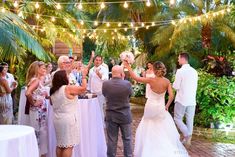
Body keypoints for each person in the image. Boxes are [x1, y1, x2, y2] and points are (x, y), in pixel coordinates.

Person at [124, 61, 189, 157]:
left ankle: (149, 149)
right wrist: (167, 106)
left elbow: (135, 78)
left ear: (154, 70)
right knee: (161, 128)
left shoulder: (151, 80)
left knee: (148, 126)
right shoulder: (167, 81)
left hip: (150, 106)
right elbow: (171, 96)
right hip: (160, 107)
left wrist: (128, 67)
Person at [50, 70, 87, 157]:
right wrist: (84, 77)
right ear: (63, 78)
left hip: (57, 119)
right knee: (68, 145)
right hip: (68, 119)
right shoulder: (67, 88)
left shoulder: (53, 90)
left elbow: (52, 103)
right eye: (67, 76)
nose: (69, 77)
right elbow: (83, 89)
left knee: (60, 144)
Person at [102, 65, 133, 157]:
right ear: (121, 73)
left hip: (111, 115)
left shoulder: (105, 84)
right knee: (127, 139)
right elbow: (130, 95)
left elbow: (105, 94)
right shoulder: (127, 84)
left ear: (112, 73)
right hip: (125, 115)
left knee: (112, 139)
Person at [173, 52, 198, 147]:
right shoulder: (194, 71)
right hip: (192, 100)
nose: (178, 60)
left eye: (179, 58)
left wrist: (172, 85)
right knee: (189, 119)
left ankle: (187, 135)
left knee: (177, 118)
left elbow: (176, 86)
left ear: (183, 59)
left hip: (181, 99)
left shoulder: (180, 71)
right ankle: (187, 140)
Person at [25, 61, 49, 157]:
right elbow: (28, 93)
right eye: (43, 68)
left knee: (40, 133)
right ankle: (39, 154)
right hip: (38, 112)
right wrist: (34, 103)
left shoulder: (37, 80)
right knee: (39, 133)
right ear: (37, 69)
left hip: (40, 111)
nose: (45, 70)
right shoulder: (35, 80)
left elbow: (37, 93)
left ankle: (40, 153)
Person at [88, 55, 109, 125]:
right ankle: (94, 124)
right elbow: (89, 81)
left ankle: (102, 125)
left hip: (100, 92)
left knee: (100, 109)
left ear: (101, 61)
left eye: (99, 60)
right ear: (94, 61)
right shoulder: (91, 70)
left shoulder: (104, 69)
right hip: (92, 92)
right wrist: (88, 89)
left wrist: (99, 74)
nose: (97, 61)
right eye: (96, 60)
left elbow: (106, 80)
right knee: (92, 109)